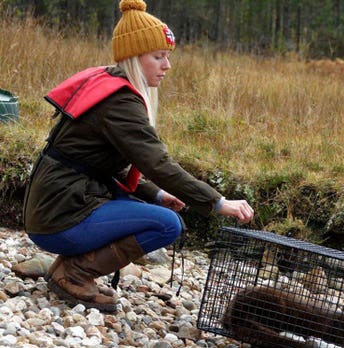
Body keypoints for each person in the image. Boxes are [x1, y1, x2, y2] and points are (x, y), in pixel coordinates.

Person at [22, 0, 254, 313]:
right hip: (59, 215)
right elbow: (157, 163)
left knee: (149, 208)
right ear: (134, 56)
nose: (167, 66)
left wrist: (156, 193)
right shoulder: (120, 103)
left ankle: (69, 264)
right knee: (167, 225)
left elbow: (103, 168)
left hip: (53, 207)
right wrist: (217, 202)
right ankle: (74, 274)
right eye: (158, 57)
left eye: (167, 57)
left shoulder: (108, 85)